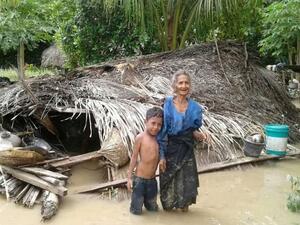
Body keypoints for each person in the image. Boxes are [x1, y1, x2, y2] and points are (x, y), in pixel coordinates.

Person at [157, 69, 208, 212]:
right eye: (180, 83)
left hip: (186, 150)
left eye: (186, 83)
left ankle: (185, 213)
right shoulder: (167, 104)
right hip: (170, 150)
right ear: (174, 86)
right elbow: (162, 133)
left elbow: (192, 129)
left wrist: (198, 134)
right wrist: (161, 156)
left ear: (190, 86)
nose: (184, 86)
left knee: (187, 185)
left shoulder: (195, 108)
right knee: (167, 188)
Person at [127, 107, 163, 215]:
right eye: (153, 123)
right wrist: (129, 178)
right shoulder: (140, 138)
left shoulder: (160, 139)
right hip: (139, 181)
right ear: (145, 121)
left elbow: (162, 155)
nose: (156, 127)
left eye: (159, 124)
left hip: (152, 181)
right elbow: (134, 157)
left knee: (153, 209)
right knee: (136, 211)